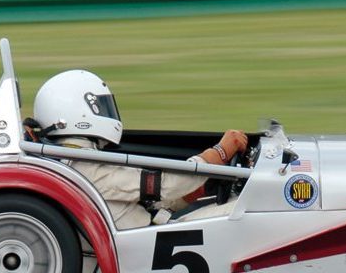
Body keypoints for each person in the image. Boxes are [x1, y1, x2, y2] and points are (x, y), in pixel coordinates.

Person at [32, 69, 248, 229]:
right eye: (102, 106)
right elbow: (165, 184)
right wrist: (219, 153)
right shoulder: (83, 167)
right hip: (148, 243)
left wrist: (191, 194)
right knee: (252, 211)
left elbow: (139, 201)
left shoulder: (71, 163)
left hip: (149, 233)